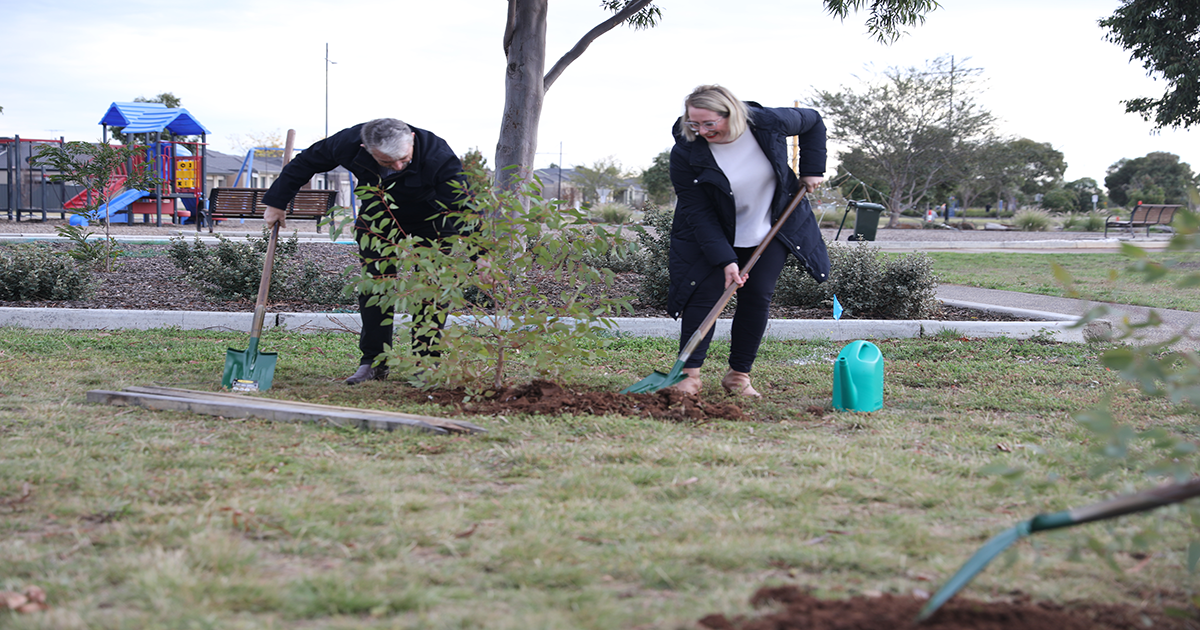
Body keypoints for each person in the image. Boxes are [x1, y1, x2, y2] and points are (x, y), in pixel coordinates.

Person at [261, 118, 468, 385]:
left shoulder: (437, 153)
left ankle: (427, 362)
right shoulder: (346, 143)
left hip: (433, 218)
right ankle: (374, 362)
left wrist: (481, 256)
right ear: (365, 148)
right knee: (375, 286)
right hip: (379, 213)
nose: (397, 167)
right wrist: (277, 202)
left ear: (412, 141)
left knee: (431, 288)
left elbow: (463, 205)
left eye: (404, 160)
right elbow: (306, 161)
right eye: (386, 162)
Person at [667, 85, 830, 397]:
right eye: (694, 124)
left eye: (709, 124)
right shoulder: (687, 151)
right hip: (715, 232)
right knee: (705, 296)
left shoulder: (768, 123)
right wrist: (725, 259)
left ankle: (738, 376)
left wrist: (812, 169)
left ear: (732, 114)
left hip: (769, 228)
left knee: (757, 297)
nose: (701, 131)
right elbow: (698, 211)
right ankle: (689, 375)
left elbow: (813, 121)